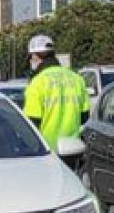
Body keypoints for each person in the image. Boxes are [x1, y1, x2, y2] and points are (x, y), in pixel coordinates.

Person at [22, 35, 89, 165]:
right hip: (73, 150)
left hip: (46, 152)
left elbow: (32, 122)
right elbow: (84, 116)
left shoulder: (37, 83)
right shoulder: (76, 79)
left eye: (30, 57)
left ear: (35, 56)